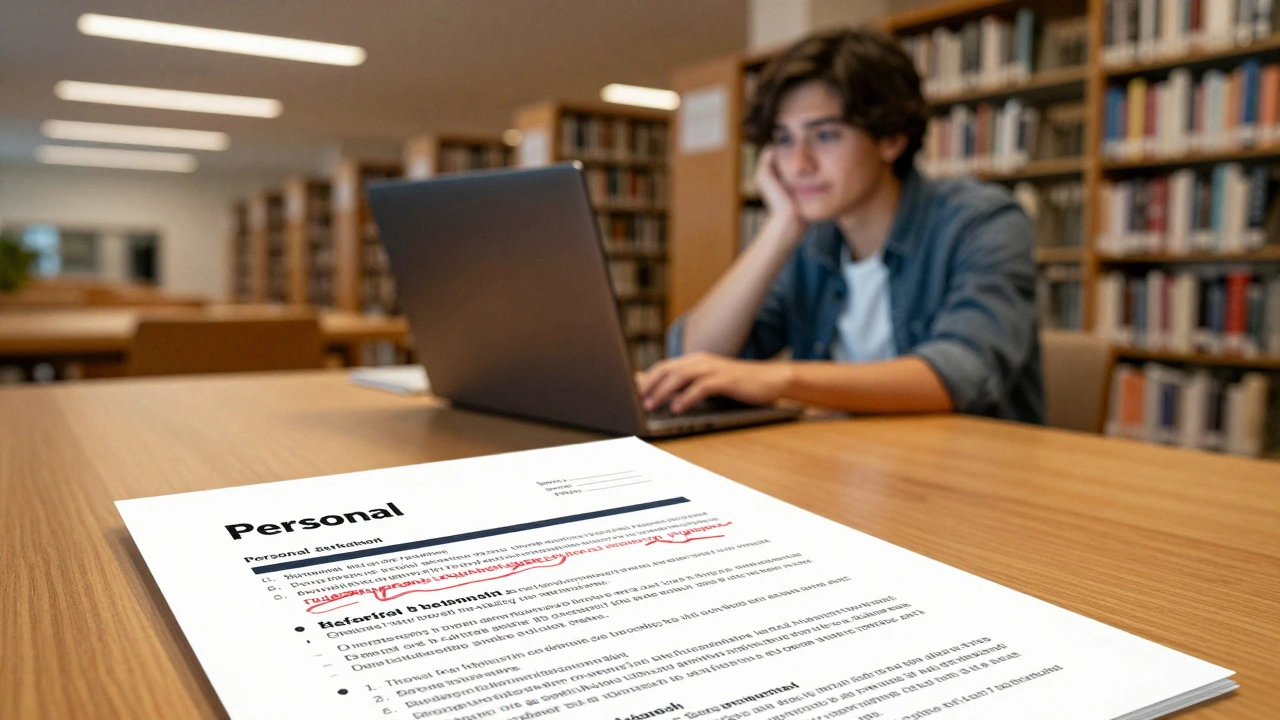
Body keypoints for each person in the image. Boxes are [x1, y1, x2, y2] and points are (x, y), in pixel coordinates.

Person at [637, 27, 1044, 424]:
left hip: (966, 472)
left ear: (891, 138)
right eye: (783, 140)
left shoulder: (982, 221)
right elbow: (696, 355)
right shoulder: (813, 240)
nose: (798, 165)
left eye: (825, 135)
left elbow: (960, 373)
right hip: (844, 467)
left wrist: (783, 379)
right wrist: (779, 229)